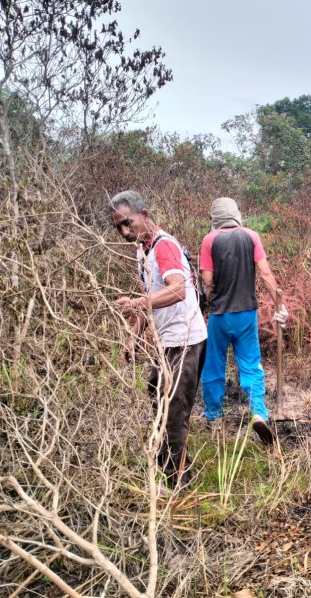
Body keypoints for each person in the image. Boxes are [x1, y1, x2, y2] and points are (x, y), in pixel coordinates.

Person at [110, 190, 207, 490]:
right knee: (157, 395)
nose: (125, 232)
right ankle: (167, 468)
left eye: (128, 223)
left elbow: (177, 290)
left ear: (146, 215)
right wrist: (133, 337)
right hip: (166, 341)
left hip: (186, 339)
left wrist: (137, 303)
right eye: (119, 227)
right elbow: (150, 300)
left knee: (175, 410)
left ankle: (179, 483)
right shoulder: (143, 250)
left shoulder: (164, 247)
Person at [199, 197, 287, 445]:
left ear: (215, 218)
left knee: (214, 366)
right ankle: (259, 412)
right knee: (251, 364)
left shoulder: (209, 240)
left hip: (219, 315)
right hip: (247, 314)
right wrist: (280, 306)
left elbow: (207, 282)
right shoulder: (252, 236)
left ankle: (214, 416)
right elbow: (266, 273)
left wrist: (208, 299)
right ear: (236, 214)